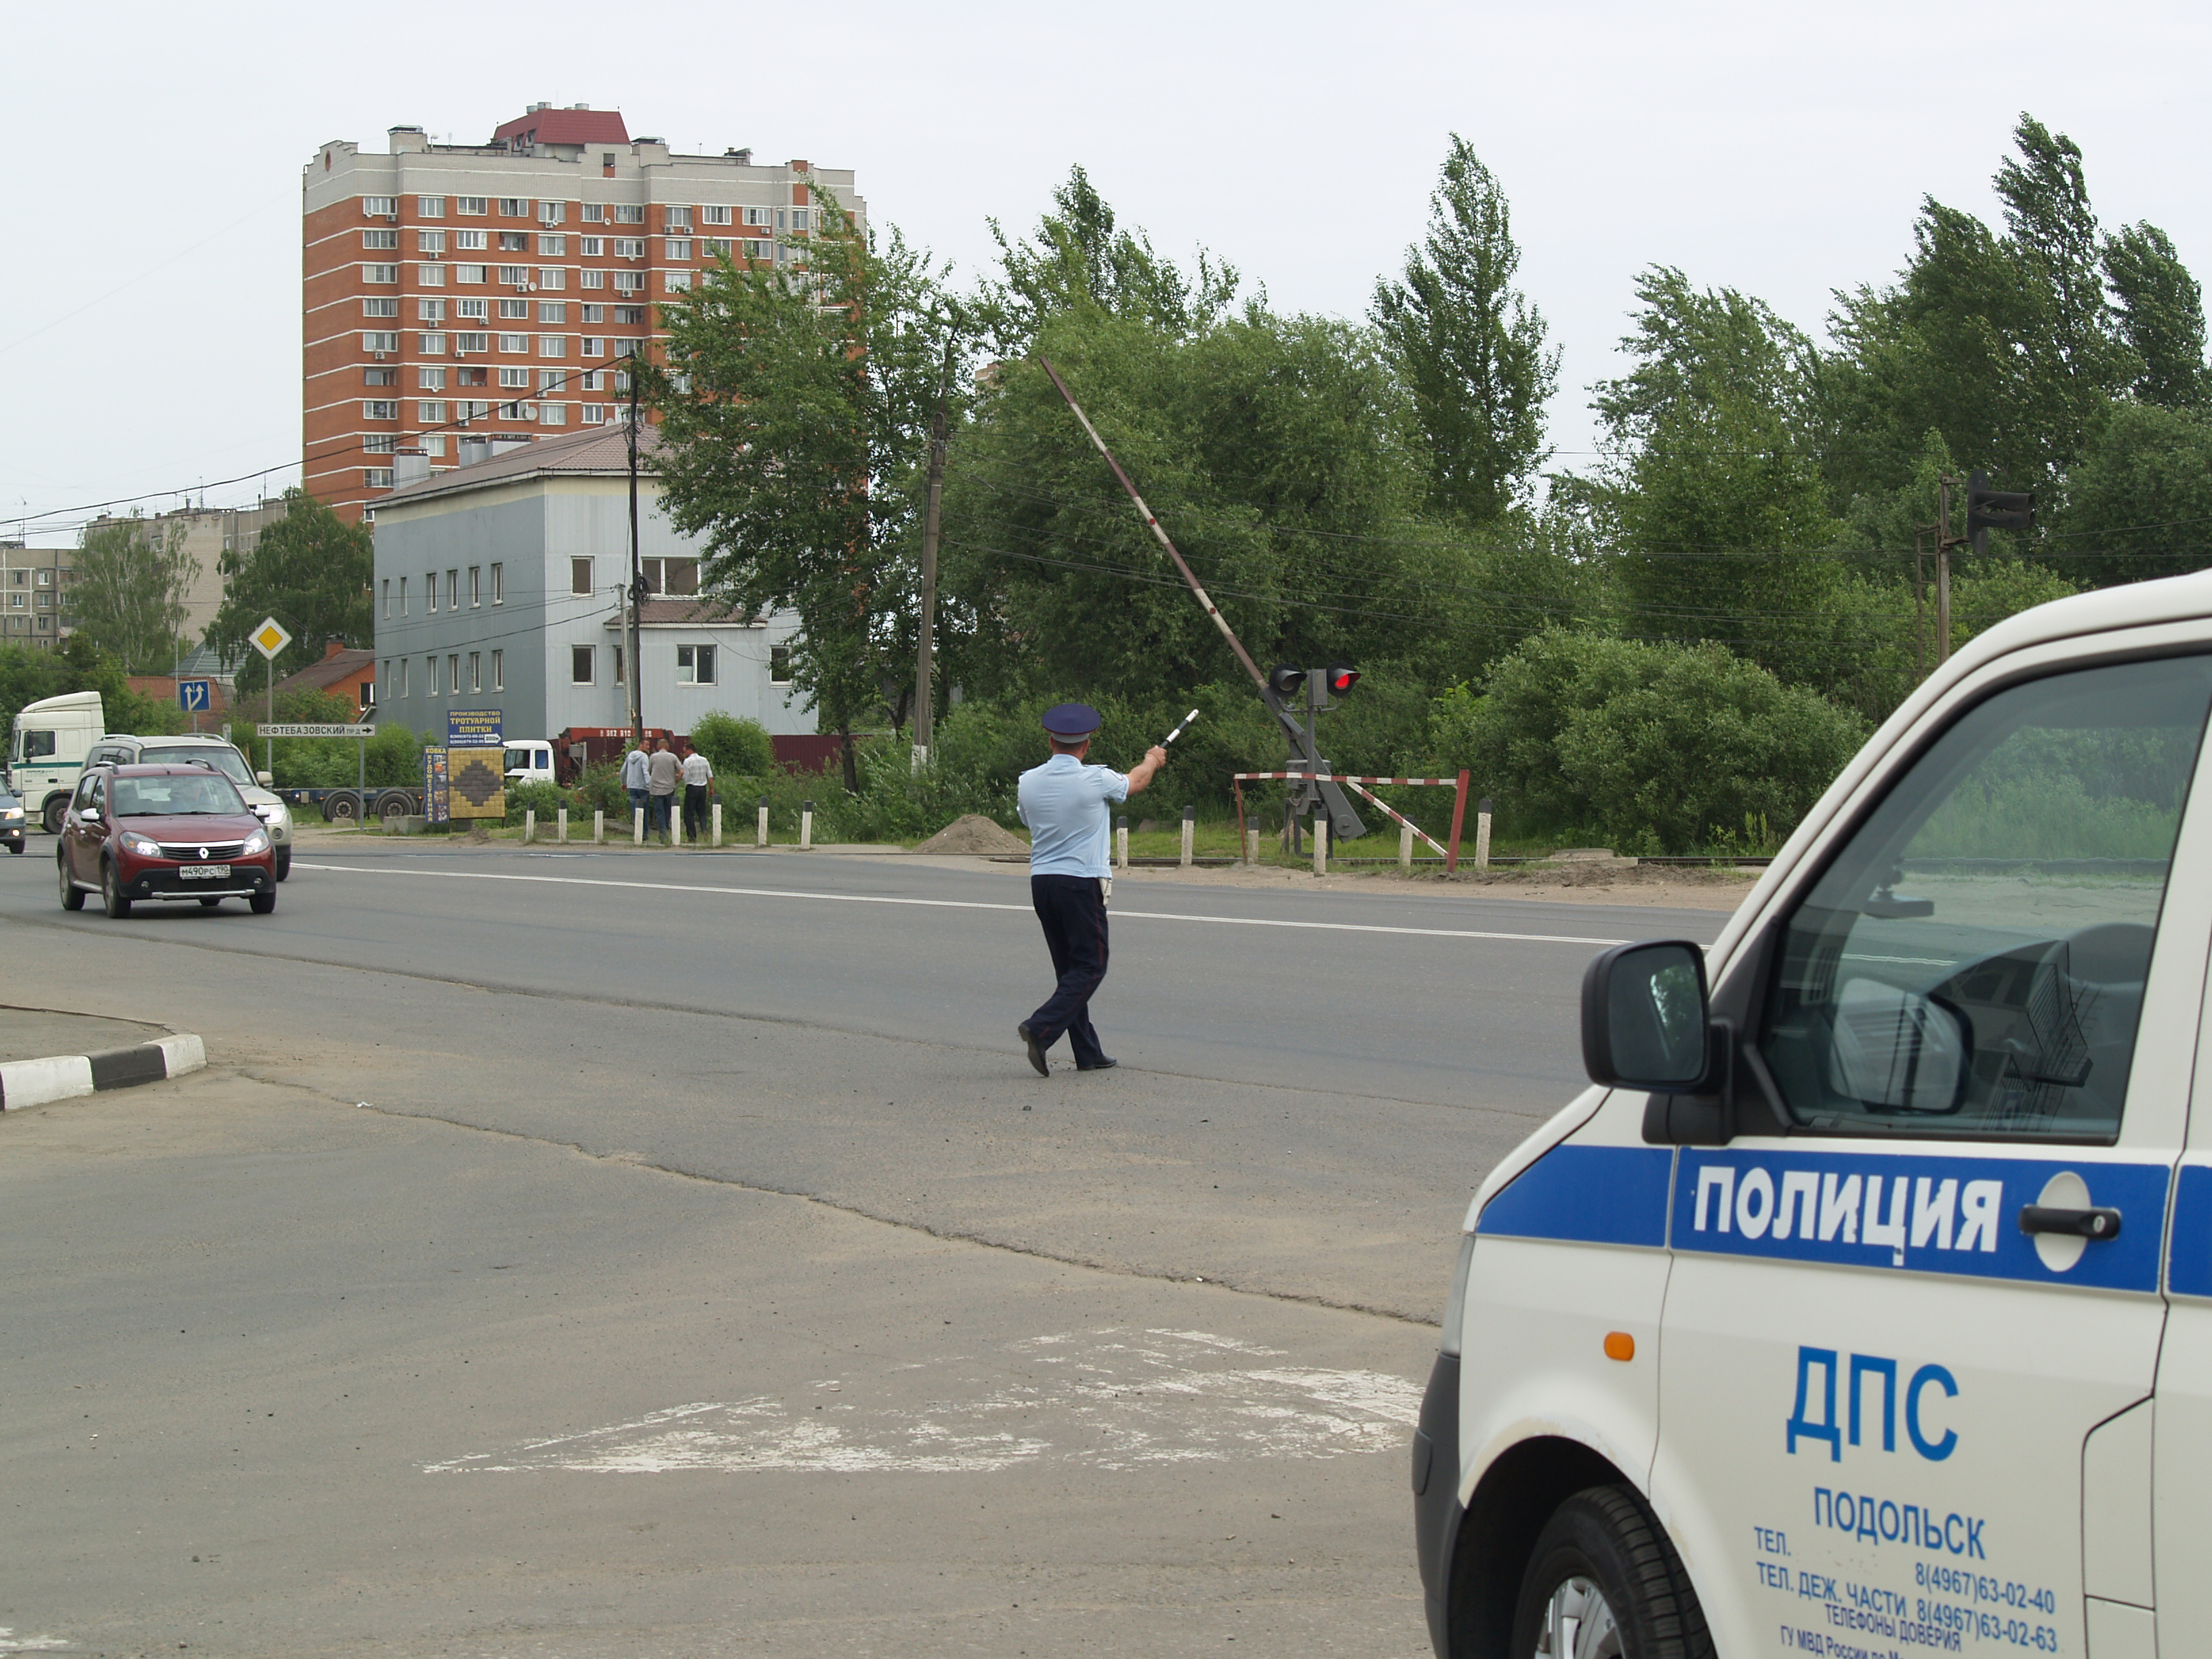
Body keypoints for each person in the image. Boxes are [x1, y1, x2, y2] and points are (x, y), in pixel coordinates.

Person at [1014, 703, 1167, 1076]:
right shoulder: (1096, 778)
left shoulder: (1028, 781)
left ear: (1051, 741)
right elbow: (1136, 783)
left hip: (1042, 883)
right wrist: (1152, 759)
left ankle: (1087, 1051)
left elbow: (1026, 817)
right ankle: (1040, 1028)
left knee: (1070, 969)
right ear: (1086, 746)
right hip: (1080, 883)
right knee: (1091, 966)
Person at [647, 737, 681, 844]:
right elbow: (682, 771)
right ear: (667, 747)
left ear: (658, 747)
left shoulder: (653, 757)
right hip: (670, 788)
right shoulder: (673, 757)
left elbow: (648, 771)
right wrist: (676, 781)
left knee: (660, 813)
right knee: (668, 812)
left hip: (656, 789)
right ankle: (665, 831)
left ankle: (663, 834)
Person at [680, 743, 714, 843]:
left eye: (685, 751)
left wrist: (680, 776)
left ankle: (692, 836)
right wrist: (711, 788)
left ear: (690, 750)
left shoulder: (688, 761)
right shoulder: (704, 760)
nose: (684, 753)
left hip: (692, 788)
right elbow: (710, 775)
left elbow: (686, 777)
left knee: (689, 813)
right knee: (702, 812)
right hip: (702, 788)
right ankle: (704, 830)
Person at [621, 735, 652, 834]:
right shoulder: (644, 757)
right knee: (644, 812)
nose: (648, 747)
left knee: (635, 812)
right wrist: (650, 785)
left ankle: (637, 833)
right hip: (643, 788)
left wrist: (623, 783)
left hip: (631, 787)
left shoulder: (630, 756)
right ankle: (644, 834)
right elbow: (645, 772)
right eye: (647, 745)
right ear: (641, 745)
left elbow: (623, 772)